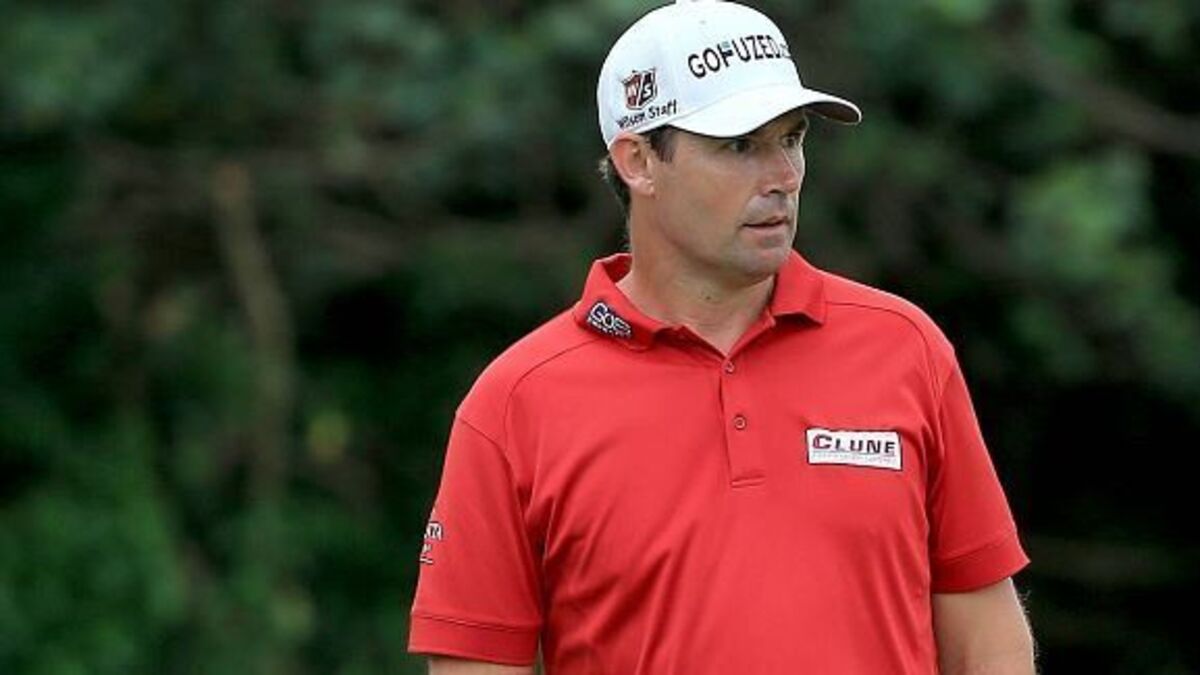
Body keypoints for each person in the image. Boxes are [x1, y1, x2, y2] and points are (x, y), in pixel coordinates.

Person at [408, 1, 1035, 673]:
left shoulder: (905, 348)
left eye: (791, 138)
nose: (783, 176)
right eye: (740, 146)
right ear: (638, 161)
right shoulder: (516, 402)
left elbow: (987, 641)